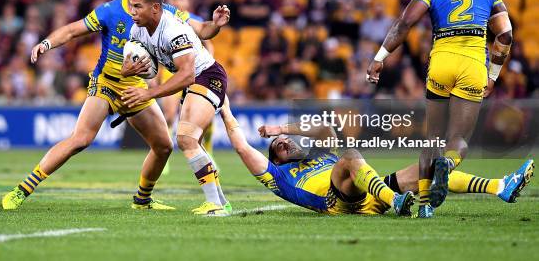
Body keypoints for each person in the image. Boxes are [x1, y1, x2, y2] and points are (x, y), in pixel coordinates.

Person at [1, 0, 228, 211]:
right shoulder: (110, 10)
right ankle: (22, 190)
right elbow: (72, 31)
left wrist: (215, 25)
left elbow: (202, 30)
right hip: (107, 82)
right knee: (81, 139)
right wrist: (46, 43)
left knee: (164, 146)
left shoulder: (165, 11)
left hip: (137, 88)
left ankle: (142, 200)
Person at [366, 0, 514, 217]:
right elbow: (505, 34)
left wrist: (379, 58)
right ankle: (448, 163)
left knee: (432, 138)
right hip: (473, 64)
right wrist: (493, 75)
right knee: (458, 139)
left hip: (441, 62)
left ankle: (424, 208)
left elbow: (405, 23)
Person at [218, 98, 534, 216]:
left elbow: (326, 126)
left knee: (428, 166)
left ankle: (498, 187)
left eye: (285, 140)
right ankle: (396, 201)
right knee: (351, 156)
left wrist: (279, 127)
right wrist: (225, 108)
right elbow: (243, 148)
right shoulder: (278, 175)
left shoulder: (319, 151)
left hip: (368, 192)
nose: (283, 143)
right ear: (276, 160)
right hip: (337, 201)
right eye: (278, 147)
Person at [121, 0, 231, 216]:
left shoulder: (173, 29)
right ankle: (222, 201)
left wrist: (148, 93)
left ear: (155, 8)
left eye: (138, 7)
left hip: (208, 76)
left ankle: (216, 205)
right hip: (194, 81)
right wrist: (128, 70)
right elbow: (139, 64)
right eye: (131, 6)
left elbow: (187, 74)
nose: (132, 12)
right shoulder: (137, 30)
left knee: (185, 139)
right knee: (193, 142)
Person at [159, 0, 216, 176]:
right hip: (171, 72)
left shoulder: (191, 19)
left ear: (187, 2)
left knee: (206, 119)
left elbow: (208, 43)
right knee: (168, 114)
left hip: (195, 70)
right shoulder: (162, 19)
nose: (177, 0)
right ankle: (162, 156)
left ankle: (208, 153)